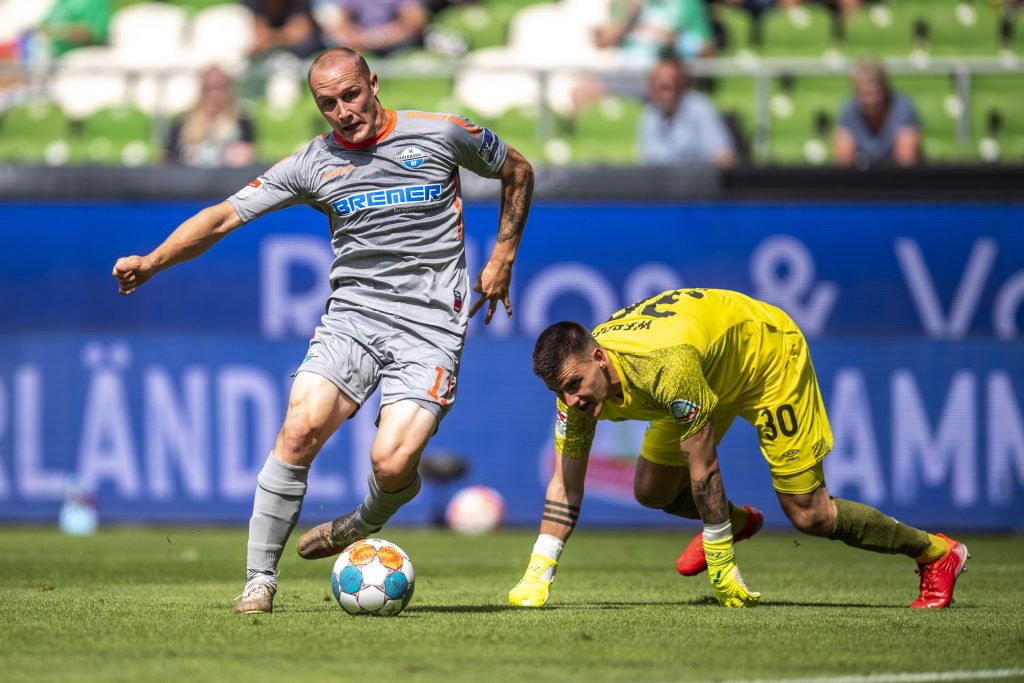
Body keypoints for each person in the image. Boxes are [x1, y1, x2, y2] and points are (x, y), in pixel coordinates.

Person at [113, 47, 535, 614]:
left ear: (374, 83)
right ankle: (259, 581)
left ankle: (365, 519)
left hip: (431, 327)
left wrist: (503, 255)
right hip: (353, 318)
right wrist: (153, 259)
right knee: (299, 429)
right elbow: (222, 216)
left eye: (351, 95)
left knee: (390, 464)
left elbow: (518, 169)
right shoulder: (314, 163)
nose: (342, 111)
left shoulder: (442, 134)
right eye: (327, 103)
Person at [508, 288, 969, 609]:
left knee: (810, 514)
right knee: (651, 489)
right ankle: (740, 521)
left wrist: (721, 560)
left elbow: (704, 469)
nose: (570, 400)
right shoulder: (578, 397)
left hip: (765, 359)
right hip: (710, 368)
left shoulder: (666, 367)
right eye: (559, 391)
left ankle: (935, 552)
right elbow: (566, 486)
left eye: (574, 386)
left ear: (600, 359)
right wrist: (539, 571)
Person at [638, 53, 735, 166]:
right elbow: (648, 162)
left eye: (672, 83)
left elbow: (724, 157)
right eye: (662, 87)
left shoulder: (699, 107)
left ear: (682, 83)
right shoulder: (649, 113)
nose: (668, 92)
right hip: (663, 182)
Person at [833, 58, 921, 168]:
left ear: (884, 89)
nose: (870, 100)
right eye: (864, 94)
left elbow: (906, 160)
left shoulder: (904, 108)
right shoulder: (848, 110)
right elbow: (843, 160)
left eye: (874, 93)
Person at [164, 65, 256, 168]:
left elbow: (250, 160)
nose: (214, 95)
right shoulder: (182, 124)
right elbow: (167, 159)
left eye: (219, 88)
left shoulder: (242, 123)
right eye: (209, 88)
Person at [321, 0, 429, 57]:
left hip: (398, 45)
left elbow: (414, 23)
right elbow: (342, 24)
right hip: (361, 44)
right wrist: (360, 39)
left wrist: (375, 39)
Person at [245, 0, 326, 59]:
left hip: (303, 53)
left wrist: (272, 37)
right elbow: (260, 39)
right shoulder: (254, 3)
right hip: (272, 55)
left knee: (307, 45)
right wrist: (284, 35)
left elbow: (301, 32)